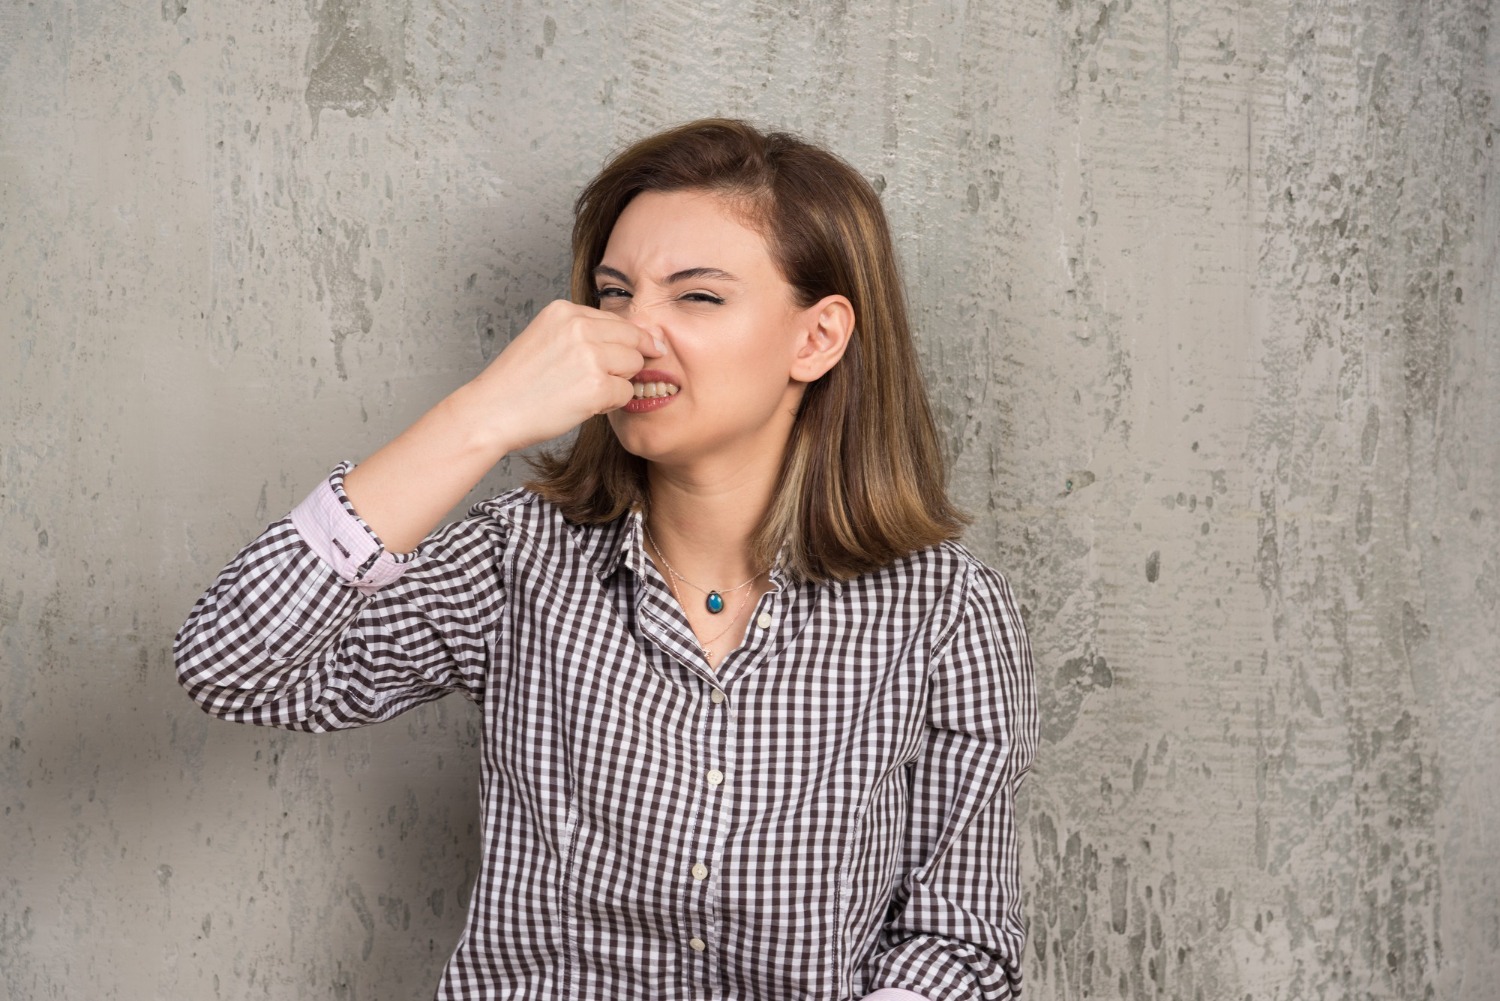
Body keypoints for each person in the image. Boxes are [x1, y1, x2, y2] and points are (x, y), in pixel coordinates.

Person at [175, 118, 1037, 1001]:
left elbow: (960, 945)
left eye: (696, 297)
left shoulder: (947, 611)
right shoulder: (515, 559)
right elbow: (233, 668)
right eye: (614, 294)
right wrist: (481, 417)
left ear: (816, 338)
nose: (633, 334)